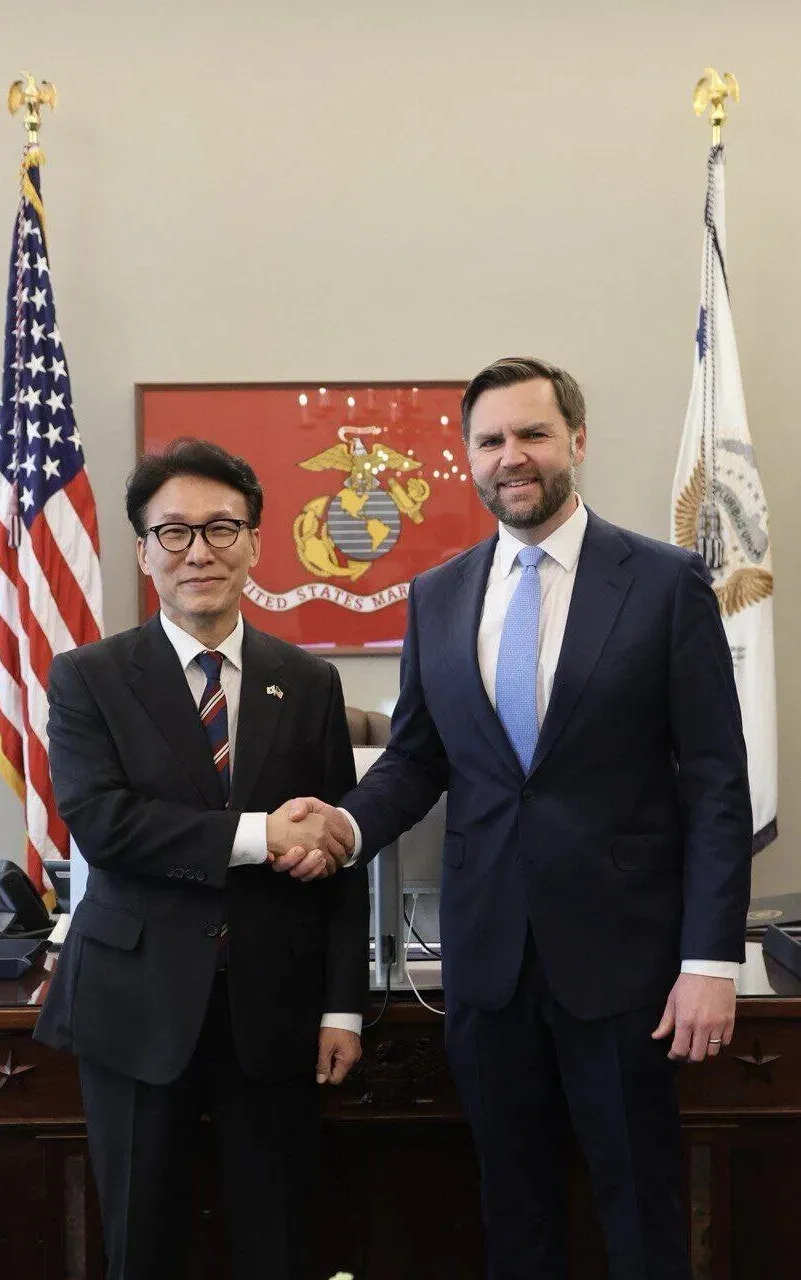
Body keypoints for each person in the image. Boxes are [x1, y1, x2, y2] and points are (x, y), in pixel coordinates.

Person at [283, 357, 753, 1279]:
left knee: (641, 1208)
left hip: (627, 968)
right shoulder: (439, 594)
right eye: (491, 440)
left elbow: (714, 783)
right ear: (467, 458)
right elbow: (418, 758)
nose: (513, 457)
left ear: (576, 442)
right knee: (514, 1207)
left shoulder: (663, 584)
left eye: (532, 434)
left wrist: (710, 962)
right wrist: (342, 827)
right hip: (487, 963)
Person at [34, 439, 368, 1280]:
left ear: (256, 542)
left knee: (280, 1242)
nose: (200, 552)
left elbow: (338, 852)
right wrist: (263, 836)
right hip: (135, 1005)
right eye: (173, 533)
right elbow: (104, 826)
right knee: (142, 1242)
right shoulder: (87, 678)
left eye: (222, 529)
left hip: (276, 1011)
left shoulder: (309, 682)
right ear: (144, 552)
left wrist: (343, 1008)